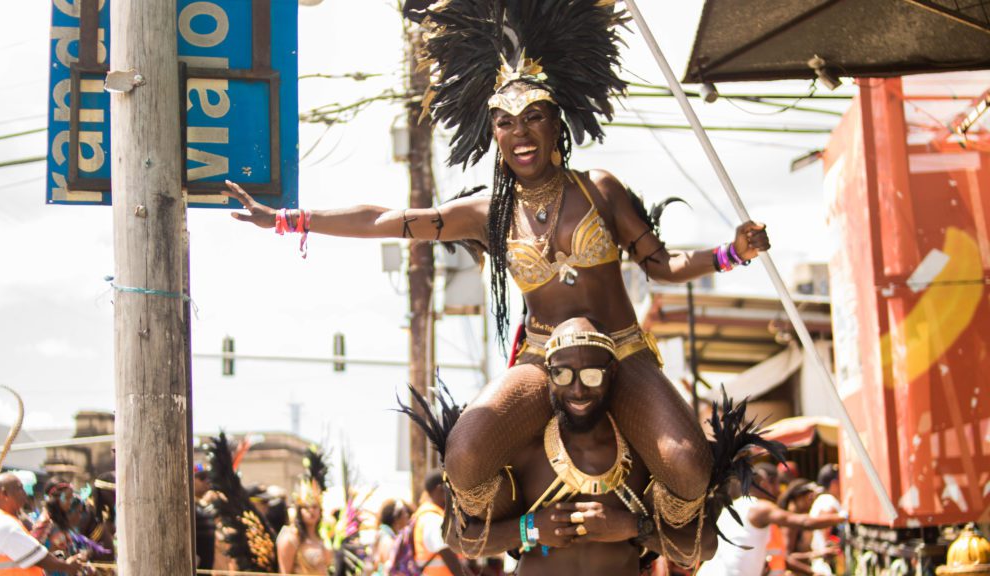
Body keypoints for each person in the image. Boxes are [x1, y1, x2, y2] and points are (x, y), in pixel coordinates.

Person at [223, 1, 769, 567]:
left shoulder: (599, 189)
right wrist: (292, 218)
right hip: (542, 358)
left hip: (621, 351)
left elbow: (663, 266)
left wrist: (732, 252)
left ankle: (639, 531)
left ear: (558, 121)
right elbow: (385, 219)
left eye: (533, 115)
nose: (520, 132)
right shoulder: (487, 213)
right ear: (494, 133)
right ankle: (524, 529)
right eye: (505, 122)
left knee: (685, 463)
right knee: (464, 454)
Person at [441, 318, 715, 575]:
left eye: (591, 375)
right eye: (562, 374)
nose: (578, 389)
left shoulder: (647, 453)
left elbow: (706, 546)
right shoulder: (521, 450)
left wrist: (632, 526)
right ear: (548, 374)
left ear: (613, 372)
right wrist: (531, 528)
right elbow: (457, 538)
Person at [697, 464, 844, 576]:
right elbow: (805, 522)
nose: (779, 491)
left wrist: (812, 572)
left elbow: (781, 559)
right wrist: (843, 516)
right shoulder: (760, 508)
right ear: (764, 483)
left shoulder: (735, 507)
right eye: (776, 484)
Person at [0, 473, 87, 575]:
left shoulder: (9, 520)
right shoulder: (3, 524)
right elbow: (38, 557)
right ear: (4, 494)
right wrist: (66, 566)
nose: (25, 493)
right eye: (20, 488)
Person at [277, 464, 332, 575]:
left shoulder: (320, 538)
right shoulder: (290, 539)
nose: (311, 511)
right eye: (306, 507)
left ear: (320, 510)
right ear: (299, 511)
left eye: (315, 507)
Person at [413, 472, 466, 576]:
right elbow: (448, 556)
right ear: (440, 489)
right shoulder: (433, 520)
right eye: (452, 489)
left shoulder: (426, 515)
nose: (455, 495)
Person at [808, 464, 843, 575]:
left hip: (822, 564)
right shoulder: (828, 501)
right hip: (827, 566)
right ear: (834, 484)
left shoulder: (821, 500)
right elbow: (827, 534)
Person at [372, 498, 410, 575]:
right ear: (396, 519)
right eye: (404, 513)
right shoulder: (388, 541)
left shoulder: (382, 535)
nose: (407, 515)